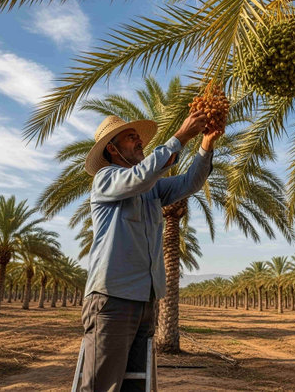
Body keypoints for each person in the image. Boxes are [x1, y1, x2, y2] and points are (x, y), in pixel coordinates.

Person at [81, 110, 222, 391]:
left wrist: (206, 143)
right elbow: (139, 178)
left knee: (138, 384)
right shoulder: (106, 179)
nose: (139, 142)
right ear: (112, 148)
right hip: (112, 299)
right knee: (102, 384)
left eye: (138, 138)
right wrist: (180, 137)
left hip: (145, 299)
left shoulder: (151, 189)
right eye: (131, 138)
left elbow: (189, 182)